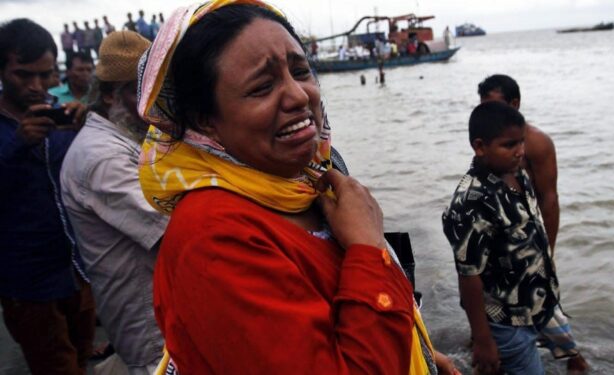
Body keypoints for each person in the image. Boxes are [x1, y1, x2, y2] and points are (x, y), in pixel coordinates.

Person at [137, 1, 458, 374]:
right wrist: (368, 250)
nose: (300, 95)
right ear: (204, 120)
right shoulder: (213, 240)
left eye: (300, 71)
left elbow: (332, 324)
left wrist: (417, 350)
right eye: (262, 86)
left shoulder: (302, 184)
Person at [61, 30, 166, 375]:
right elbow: (172, 226)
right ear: (109, 95)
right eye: (140, 94)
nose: (151, 105)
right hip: (146, 322)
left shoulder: (125, 139)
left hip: (156, 310)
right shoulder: (102, 158)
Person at [477, 74, 589, 374]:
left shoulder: (536, 144)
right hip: (505, 239)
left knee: (540, 304)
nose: (488, 114)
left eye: (495, 106)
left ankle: (573, 358)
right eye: (483, 106)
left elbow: (549, 200)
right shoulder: (490, 139)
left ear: (515, 105)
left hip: (530, 241)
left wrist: (546, 253)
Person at [0, 18, 92, 375]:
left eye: (46, 74)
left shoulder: (61, 112)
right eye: (24, 75)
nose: (38, 86)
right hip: (27, 283)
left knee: (81, 358)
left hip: (77, 270)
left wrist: (88, 130)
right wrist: (18, 145)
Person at [443, 102, 561, 375]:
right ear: (480, 146)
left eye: (521, 142)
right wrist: (482, 340)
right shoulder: (471, 203)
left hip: (533, 303)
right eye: (509, 145)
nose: (520, 151)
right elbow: (469, 276)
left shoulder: (516, 174)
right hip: (505, 321)